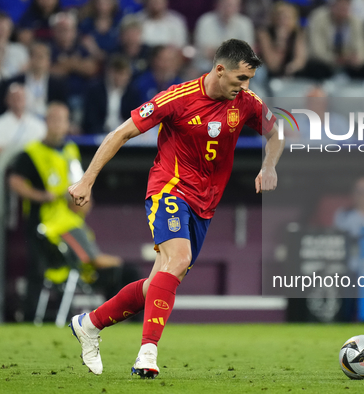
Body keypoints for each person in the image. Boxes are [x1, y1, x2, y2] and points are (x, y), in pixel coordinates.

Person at [67, 39, 283, 378]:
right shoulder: (178, 98)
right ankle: (147, 354)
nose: (246, 87)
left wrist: (269, 166)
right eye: (241, 79)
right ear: (220, 69)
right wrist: (87, 180)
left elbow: (277, 134)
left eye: (250, 80)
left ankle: (89, 324)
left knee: (163, 278)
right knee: (178, 259)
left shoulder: (246, 103)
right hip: (169, 189)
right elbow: (120, 133)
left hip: (205, 204)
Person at [8, 102, 131, 322]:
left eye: (61, 120)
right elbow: (15, 181)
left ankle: (102, 306)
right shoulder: (32, 153)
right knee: (37, 272)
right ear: (46, 122)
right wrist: (41, 196)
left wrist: (84, 199)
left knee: (73, 267)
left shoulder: (70, 151)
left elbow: (80, 183)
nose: (57, 124)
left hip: (69, 223)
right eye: (53, 119)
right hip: (42, 224)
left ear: (67, 124)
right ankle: (30, 318)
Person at [0, 42, 68, 118]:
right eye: (35, 56)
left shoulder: (58, 85)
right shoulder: (14, 82)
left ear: (48, 61)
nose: (38, 61)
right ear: (29, 59)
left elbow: (62, 107)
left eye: (41, 57)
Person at [306, 0, 364, 80]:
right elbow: (316, 50)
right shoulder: (318, 18)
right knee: (316, 67)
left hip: (348, 62)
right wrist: (335, 59)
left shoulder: (356, 22)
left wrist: (357, 59)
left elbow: (362, 49)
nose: (343, 9)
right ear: (332, 7)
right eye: (340, 6)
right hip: (325, 61)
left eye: (346, 6)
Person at [82, 55, 140, 134]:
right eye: (118, 73)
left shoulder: (133, 93)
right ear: (110, 72)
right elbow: (90, 120)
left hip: (124, 136)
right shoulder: (95, 91)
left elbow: (134, 119)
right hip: (99, 133)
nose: (121, 78)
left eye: (124, 74)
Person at [194, 0, 255, 73]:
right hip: (207, 68)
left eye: (232, 5)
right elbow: (208, 53)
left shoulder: (245, 23)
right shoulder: (205, 21)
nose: (228, 9)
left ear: (239, 7)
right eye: (225, 5)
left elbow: (249, 53)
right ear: (217, 5)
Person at [0, 84, 46, 156]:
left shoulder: (39, 125)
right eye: (14, 97)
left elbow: (43, 149)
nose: (18, 100)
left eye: (21, 97)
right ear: (7, 100)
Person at [256, 1, 307, 78]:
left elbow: (300, 60)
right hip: (267, 73)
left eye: (287, 18)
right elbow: (273, 65)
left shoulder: (297, 34)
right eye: (280, 17)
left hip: (290, 74)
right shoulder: (264, 34)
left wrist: (291, 67)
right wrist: (280, 41)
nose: (283, 21)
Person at [0, 13, 29, 78]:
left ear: (10, 31)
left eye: (3, 28)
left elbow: (24, 75)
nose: (0, 32)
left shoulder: (20, 50)